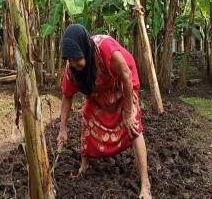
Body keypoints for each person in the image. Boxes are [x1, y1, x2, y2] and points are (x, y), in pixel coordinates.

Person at [57, 24, 151, 199]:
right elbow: (67, 96)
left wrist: (129, 111)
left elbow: (126, 74)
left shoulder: (106, 49)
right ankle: (84, 168)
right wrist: (63, 128)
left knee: (133, 126)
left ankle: (145, 184)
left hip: (123, 84)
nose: (73, 64)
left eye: (76, 59)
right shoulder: (72, 70)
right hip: (99, 90)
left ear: (85, 50)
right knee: (88, 118)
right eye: (69, 60)